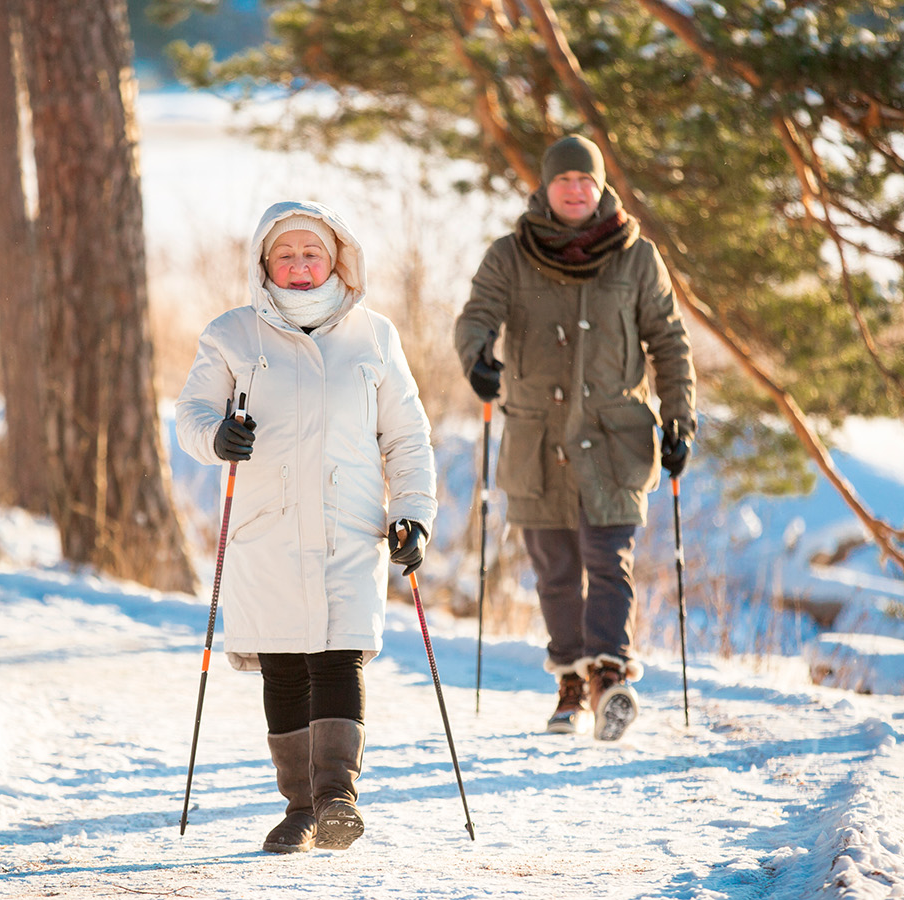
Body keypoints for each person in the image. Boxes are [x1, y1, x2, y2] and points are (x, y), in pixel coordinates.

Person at [175, 200, 438, 853]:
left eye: (310, 253)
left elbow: (406, 436)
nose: (299, 265)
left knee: (338, 654)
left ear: (335, 259)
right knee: (286, 663)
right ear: (264, 264)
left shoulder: (374, 336)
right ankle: (301, 808)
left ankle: (337, 798)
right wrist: (219, 437)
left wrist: (413, 514)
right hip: (266, 526)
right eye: (285, 254)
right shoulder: (232, 334)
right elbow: (191, 418)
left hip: (349, 525)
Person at [454, 134, 696, 742]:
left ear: (600, 187)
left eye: (584, 181)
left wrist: (679, 417)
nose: (574, 190)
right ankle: (569, 683)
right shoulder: (510, 255)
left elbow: (668, 341)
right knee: (555, 569)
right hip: (536, 439)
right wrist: (477, 357)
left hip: (614, 438)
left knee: (607, 559)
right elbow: (477, 315)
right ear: (546, 186)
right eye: (564, 180)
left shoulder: (637, 258)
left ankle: (610, 676)